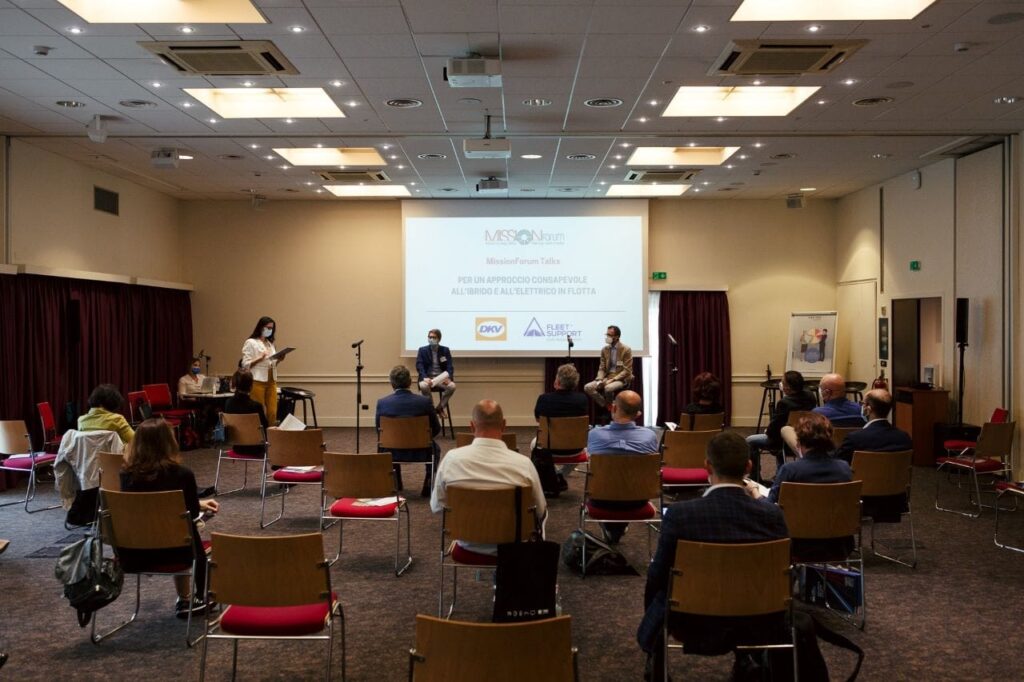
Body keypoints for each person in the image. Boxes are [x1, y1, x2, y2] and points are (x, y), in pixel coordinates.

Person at [637, 431, 788, 678]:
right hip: (758, 617)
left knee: (659, 582)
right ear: (749, 467)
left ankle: (655, 650)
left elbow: (658, 575)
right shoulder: (773, 515)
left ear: (707, 466)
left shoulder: (680, 515)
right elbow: (782, 572)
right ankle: (748, 658)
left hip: (692, 619)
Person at [119, 418, 219, 617]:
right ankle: (197, 597)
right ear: (169, 442)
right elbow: (190, 513)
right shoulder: (182, 474)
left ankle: (185, 598)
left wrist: (198, 503)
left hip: (135, 552)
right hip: (176, 552)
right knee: (187, 527)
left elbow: (146, 505)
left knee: (175, 526)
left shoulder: (126, 475)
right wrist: (199, 507)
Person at [430, 400, 547, 555]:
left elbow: (437, 507)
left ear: (472, 426)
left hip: (467, 544)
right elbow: (540, 510)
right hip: (514, 546)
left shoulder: (451, 460)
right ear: (504, 425)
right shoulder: (524, 464)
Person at [586, 390, 659, 544]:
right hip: (637, 500)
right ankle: (615, 530)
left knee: (612, 479)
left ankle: (613, 530)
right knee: (626, 479)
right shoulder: (650, 436)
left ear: (613, 408)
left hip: (601, 499)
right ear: (638, 414)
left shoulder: (594, 434)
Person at [376, 365, 441, 498]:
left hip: (392, 451)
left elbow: (379, 431)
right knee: (436, 448)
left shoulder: (383, 403)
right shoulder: (424, 402)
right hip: (422, 451)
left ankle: (395, 482)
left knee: (383, 443)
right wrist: (421, 439)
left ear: (392, 383)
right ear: (410, 382)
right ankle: (428, 482)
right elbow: (436, 428)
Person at [746, 370, 817, 481]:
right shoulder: (810, 396)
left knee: (750, 440)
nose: (781, 384)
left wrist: (767, 431)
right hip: (805, 438)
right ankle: (780, 473)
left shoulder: (785, 403)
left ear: (787, 388)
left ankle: (755, 478)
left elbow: (775, 427)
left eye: (782, 382)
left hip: (783, 441)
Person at [769, 413, 852, 504]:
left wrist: (757, 494)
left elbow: (769, 504)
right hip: (835, 513)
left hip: (798, 513)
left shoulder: (789, 470)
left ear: (799, 442)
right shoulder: (844, 468)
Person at [532, 363, 589, 483]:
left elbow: (539, 420)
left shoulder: (544, 399)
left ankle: (553, 476)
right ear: (575, 383)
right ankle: (561, 475)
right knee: (587, 449)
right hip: (576, 448)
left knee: (534, 444)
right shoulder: (582, 399)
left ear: (557, 381)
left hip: (549, 449)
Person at [781, 372, 864, 452]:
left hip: (826, 453)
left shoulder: (818, 414)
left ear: (827, 392)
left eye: (821, 388)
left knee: (786, 430)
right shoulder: (860, 410)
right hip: (852, 452)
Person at [835, 389, 912, 463]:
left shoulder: (854, 439)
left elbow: (838, 464)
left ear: (868, 410)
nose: (861, 406)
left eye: (862, 404)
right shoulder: (904, 438)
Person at [240, 316, 284, 426]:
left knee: (272, 411)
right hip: (257, 380)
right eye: (268, 327)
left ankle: (271, 433)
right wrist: (259, 358)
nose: (270, 330)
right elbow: (245, 365)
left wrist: (279, 360)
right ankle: (259, 434)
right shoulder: (251, 342)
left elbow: (272, 363)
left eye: (272, 328)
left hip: (271, 379)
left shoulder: (270, 344)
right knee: (258, 411)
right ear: (261, 327)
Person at [584, 325, 633, 408]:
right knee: (588, 387)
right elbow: (602, 368)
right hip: (606, 377)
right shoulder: (605, 349)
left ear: (617, 337)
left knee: (608, 388)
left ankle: (610, 407)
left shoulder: (626, 349)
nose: (607, 337)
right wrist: (600, 379)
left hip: (621, 378)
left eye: (610, 335)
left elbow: (627, 370)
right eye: (607, 335)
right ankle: (608, 406)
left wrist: (613, 380)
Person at [222, 369, 268, 456]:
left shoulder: (228, 403)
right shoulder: (256, 406)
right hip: (256, 449)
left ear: (235, 384)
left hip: (237, 447)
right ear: (251, 386)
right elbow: (265, 429)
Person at [416, 329, 456, 414]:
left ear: (439, 339)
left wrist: (449, 378)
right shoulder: (422, 350)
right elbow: (419, 365)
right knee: (423, 385)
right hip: (428, 378)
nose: (431, 339)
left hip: (441, 379)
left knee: (452, 386)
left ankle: (439, 408)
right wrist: (424, 377)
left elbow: (449, 366)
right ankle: (431, 408)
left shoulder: (445, 350)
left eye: (434, 337)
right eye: (430, 337)